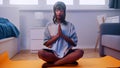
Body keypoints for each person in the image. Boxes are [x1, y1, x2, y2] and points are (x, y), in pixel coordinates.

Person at [38, 1, 84, 68]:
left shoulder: (70, 25)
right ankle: (67, 61)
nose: (59, 13)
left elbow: (74, 43)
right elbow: (46, 43)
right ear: (54, 12)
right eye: (57, 10)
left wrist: (62, 35)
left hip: (67, 52)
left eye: (61, 11)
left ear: (64, 12)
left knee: (80, 52)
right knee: (40, 53)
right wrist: (57, 36)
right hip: (53, 53)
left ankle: (54, 64)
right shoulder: (49, 25)